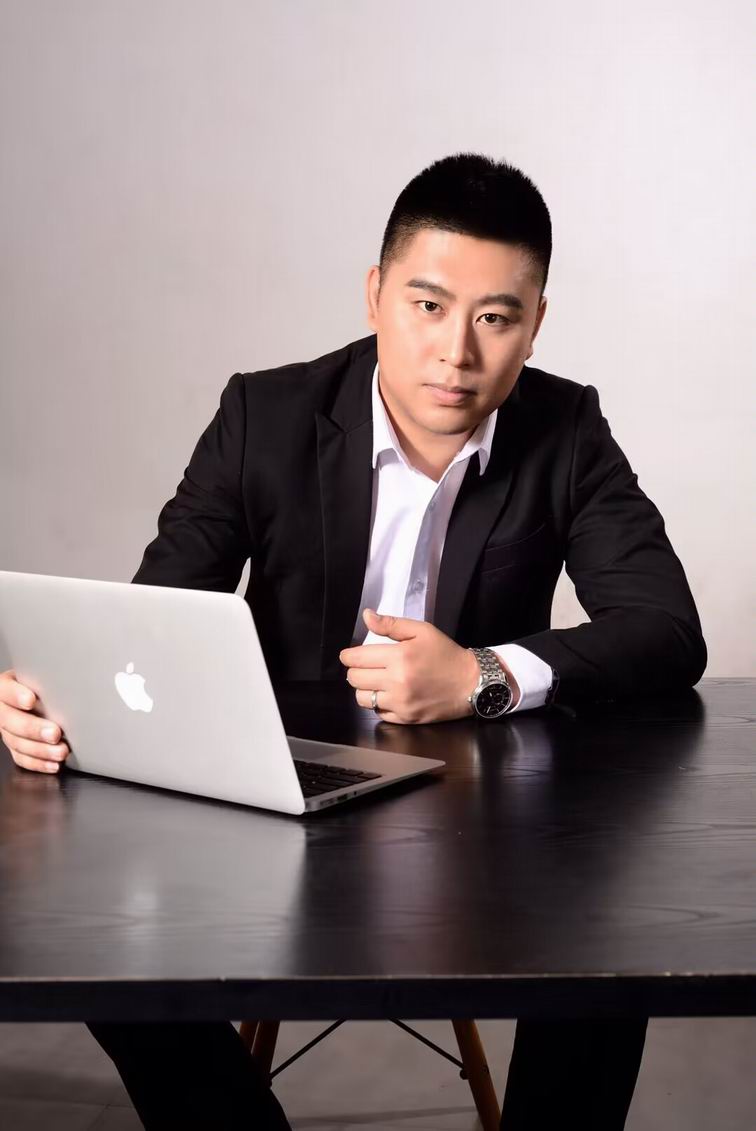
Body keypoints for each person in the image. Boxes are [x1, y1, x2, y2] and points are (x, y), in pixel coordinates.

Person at [0, 153, 705, 1129]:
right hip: (274, 790)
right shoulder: (264, 415)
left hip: (485, 812)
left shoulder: (567, 428)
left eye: (496, 318)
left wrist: (482, 674)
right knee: (98, 936)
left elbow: (665, 628)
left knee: (615, 946)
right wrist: (50, 699)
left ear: (536, 323)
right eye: (428, 306)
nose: (456, 352)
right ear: (376, 295)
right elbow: (152, 622)